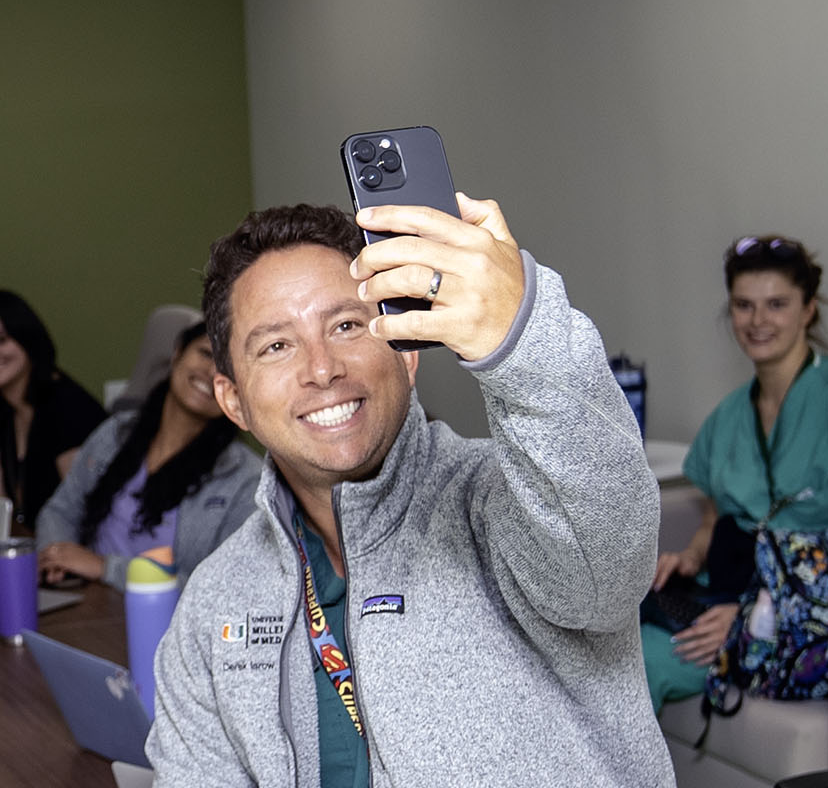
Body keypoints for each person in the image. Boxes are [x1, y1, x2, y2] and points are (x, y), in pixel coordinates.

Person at [147, 201, 671, 785]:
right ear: (233, 400)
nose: (321, 369)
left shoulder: (515, 508)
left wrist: (522, 343)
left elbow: (608, 566)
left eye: (346, 326)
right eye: (276, 346)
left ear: (409, 351)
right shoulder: (216, 602)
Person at [644, 235, 828, 711]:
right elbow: (714, 522)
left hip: (803, 620)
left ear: (808, 309)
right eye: (744, 306)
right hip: (724, 596)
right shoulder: (728, 417)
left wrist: (754, 617)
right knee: (590, 649)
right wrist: (688, 559)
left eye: (777, 304)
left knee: (631, 671)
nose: (758, 321)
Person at [35, 323, 258, 591]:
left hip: (164, 625)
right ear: (177, 353)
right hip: (85, 601)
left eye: (230, 370)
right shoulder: (117, 433)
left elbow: (222, 591)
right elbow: (61, 510)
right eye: (206, 354)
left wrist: (105, 568)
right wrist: (57, 558)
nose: (212, 373)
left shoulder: (245, 478)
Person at [0, 289, 106, 527]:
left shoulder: (69, 409)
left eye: (0, 340)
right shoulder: (0, 405)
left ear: (26, 337)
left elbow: (87, 519)